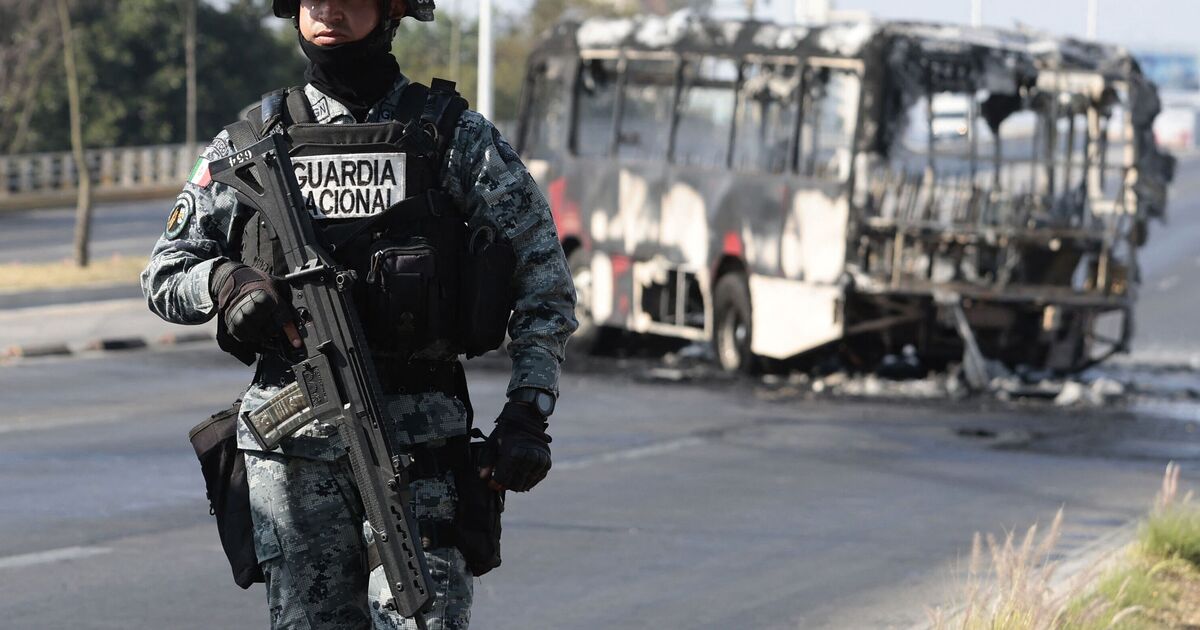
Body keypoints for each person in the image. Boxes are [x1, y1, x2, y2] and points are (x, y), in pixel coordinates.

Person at [140, 0, 577, 627]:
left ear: (393, 6)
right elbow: (165, 270)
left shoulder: (449, 135)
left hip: (419, 458)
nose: (329, 11)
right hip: (292, 461)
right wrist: (227, 282)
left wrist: (529, 408)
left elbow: (544, 276)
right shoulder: (249, 142)